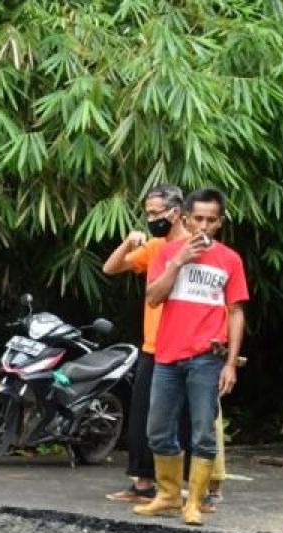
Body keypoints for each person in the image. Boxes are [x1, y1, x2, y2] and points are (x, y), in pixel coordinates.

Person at [134, 187, 248, 526]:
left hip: (207, 357)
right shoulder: (166, 252)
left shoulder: (230, 259)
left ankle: (194, 503)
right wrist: (179, 261)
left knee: (203, 432)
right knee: (156, 430)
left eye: (210, 220)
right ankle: (168, 496)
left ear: (220, 223)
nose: (202, 226)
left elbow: (236, 311)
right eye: (197, 218)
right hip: (168, 355)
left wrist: (231, 363)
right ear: (185, 218)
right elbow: (153, 297)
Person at [102, 184, 188, 502]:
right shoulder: (153, 248)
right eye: (148, 213)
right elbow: (110, 268)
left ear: (176, 212)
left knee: (181, 419)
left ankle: (186, 488)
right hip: (153, 345)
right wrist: (128, 241)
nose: (152, 219)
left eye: (156, 213)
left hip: (185, 347)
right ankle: (142, 484)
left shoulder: (193, 249)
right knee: (142, 418)